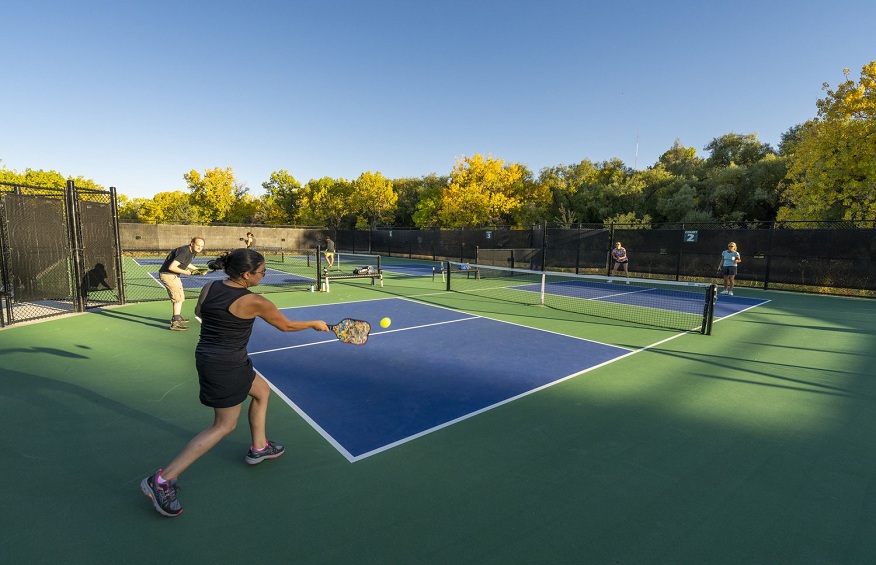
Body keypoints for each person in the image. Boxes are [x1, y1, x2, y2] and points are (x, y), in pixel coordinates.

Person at [141, 248, 329, 517]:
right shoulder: (255, 301)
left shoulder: (210, 287)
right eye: (262, 272)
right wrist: (314, 324)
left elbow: (200, 312)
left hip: (214, 356)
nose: (264, 275)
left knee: (262, 391)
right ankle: (161, 480)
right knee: (224, 425)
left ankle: (259, 447)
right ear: (246, 274)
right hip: (226, 365)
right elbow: (286, 326)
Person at [159, 237, 205, 331]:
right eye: (198, 245)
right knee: (177, 298)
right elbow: (172, 267)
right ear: (192, 243)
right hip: (168, 275)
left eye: (202, 246)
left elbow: (186, 263)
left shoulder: (192, 252)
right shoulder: (184, 251)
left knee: (180, 296)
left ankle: (177, 316)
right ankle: (175, 323)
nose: (200, 248)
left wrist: (197, 269)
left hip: (173, 275)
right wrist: (186, 272)